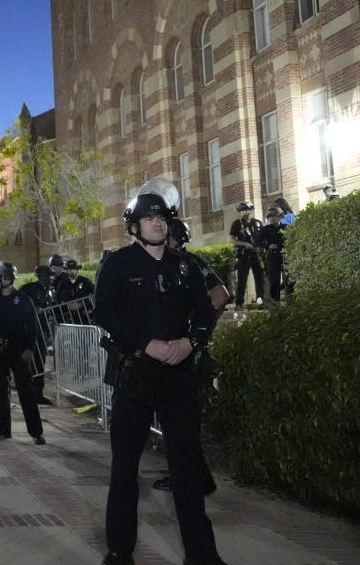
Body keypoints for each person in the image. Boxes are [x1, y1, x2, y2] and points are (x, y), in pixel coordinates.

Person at [93, 178, 227, 565]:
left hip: (178, 377)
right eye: (148, 217)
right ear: (133, 226)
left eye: (162, 217)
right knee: (124, 468)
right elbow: (105, 313)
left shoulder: (185, 266)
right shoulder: (118, 264)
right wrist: (146, 344)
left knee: (186, 468)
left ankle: (203, 554)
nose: (157, 223)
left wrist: (190, 343)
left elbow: (204, 315)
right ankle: (120, 551)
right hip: (134, 376)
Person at [151, 218, 225, 496]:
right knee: (180, 419)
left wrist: (198, 333)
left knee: (181, 419)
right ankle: (196, 476)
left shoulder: (186, 264)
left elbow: (221, 296)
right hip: (182, 350)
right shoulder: (179, 264)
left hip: (187, 353)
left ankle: (191, 478)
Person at [0, 262, 45, 445]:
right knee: (0, 392)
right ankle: (3, 430)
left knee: (26, 391)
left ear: (7, 278)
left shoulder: (22, 299)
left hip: (18, 350)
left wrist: (29, 348)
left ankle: (36, 432)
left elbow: (32, 326)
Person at [19, 265, 57, 406]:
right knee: (28, 363)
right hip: (29, 332)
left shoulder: (50, 290)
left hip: (42, 332)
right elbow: (19, 304)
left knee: (39, 364)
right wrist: (32, 309)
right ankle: (27, 393)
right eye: (48, 276)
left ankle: (38, 393)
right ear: (41, 276)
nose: (50, 278)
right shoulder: (28, 289)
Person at [229, 201, 264, 309]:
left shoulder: (257, 223)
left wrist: (261, 247)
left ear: (250, 210)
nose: (243, 212)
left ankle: (260, 302)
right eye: (241, 210)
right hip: (243, 255)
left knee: (259, 280)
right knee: (242, 280)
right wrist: (244, 244)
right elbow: (232, 240)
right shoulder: (237, 224)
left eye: (245, 210)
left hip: (256, 255)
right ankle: (239, 303)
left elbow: (262, 239)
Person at [257, 207, 287, 303]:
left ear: (280, 217)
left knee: (289, 279)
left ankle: (291, 300)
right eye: (270, 217)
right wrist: (268, 246)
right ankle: (275, 302)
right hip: (272, 256)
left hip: (285, 256)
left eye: (274, 216)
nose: (272, 218)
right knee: (274, 280)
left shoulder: (286, 227)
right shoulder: (265, 229)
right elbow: (258, 242)